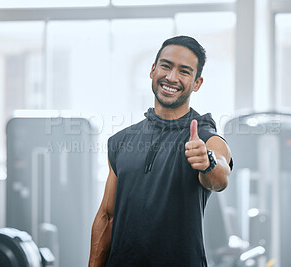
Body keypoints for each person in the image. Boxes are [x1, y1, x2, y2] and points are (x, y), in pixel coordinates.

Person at [88, 35, 233, 267]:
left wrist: (208, 162)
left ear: (197, 83)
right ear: (153, 70)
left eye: (184, 71)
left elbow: (220, 178)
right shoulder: (121, 141)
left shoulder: (205, 138)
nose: (172, 77)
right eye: (166, 66)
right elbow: (107, 216)